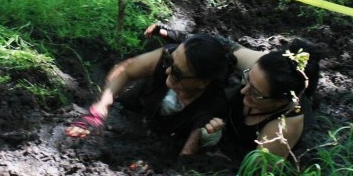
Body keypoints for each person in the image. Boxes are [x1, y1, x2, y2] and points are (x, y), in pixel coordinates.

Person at [146, 24, 319, 160]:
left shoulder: (284, 126)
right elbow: (224, 45)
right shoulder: (264, 66)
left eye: (255, 93)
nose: (244, 91)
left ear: (279, 102)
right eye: (247, 79)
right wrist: (175, 35)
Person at [65, 33, 237, 156]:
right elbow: (125, 69)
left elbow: (186, 156)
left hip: (156, 146)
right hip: (127, 113)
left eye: (177, 72)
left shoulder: (213, 105)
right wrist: (100, 109)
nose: (168, 69)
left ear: (203, 82)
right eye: (170, 61)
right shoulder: (168, 58)